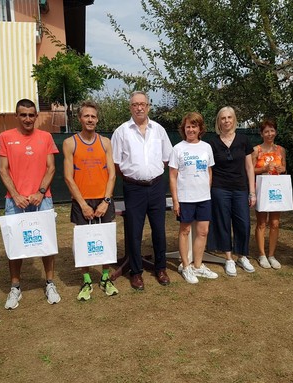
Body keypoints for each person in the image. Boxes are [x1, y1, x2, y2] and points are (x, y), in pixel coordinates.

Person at [0, 98, 60, 309]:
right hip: (16, 202)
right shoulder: (5, 137)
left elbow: (51, 168)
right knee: (15, 245)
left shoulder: (46, 137)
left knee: (46, 243)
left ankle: (50, 283)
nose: (28, 119)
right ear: (16, 116)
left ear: (36, 116)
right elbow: (3, 170)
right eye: (23, 115)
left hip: (43, 199)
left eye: (31, 115)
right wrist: (15, 195)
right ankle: (15, 287)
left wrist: (40, 192)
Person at [111, 91, 173, 290]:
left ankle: (161, 268)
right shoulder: (121, 131)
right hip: (133, 188)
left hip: (156, 187)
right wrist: (133, 177)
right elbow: (115, 164)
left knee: (159, 231)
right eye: (135, 104)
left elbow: (166, 158)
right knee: (134, 232)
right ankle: (136, 272)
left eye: (143, 104)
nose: (139, 107)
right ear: (130, 107)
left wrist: (151, 174)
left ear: (148, 106)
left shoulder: (159, 130)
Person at [63, 101, 119, 299]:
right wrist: (83, 204)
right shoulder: (70, 143)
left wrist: (106, 201)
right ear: (80, 118)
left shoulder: (105, 142)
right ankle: (86, 280)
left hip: (103, 200)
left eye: (93, 116)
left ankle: (105, 277)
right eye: (86, 116)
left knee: (105, 240)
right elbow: (68, 177)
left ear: (97, 119)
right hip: (82, 202)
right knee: (84, 242)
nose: (90, 120)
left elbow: (112, 175)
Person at [207, 106, 257, 276]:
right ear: (218, 122)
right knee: (223, 222)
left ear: (234, 120)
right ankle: (228, 258)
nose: (226, 121)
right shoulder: (212, 143)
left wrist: (252, 192)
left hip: (240, 189)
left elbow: (250, 167)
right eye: (223, 118)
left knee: (243, 223)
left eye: (229, 117)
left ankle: (242, 256)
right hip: (220, 188)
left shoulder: (243, 140)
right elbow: (209, 169)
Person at [169, 112, 218, 284]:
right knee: (185, 231)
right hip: (185, 198)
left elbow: (209, 171)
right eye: (188, 126)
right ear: (184, 129)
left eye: (194, 126)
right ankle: (186, 266)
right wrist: (176, 200)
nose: (191, 129)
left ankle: (198, 266)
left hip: (204, 197)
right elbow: (173, 176)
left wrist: (206, 190)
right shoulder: (178, 148)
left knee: (203, 231)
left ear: (200, 128)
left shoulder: (206, 147)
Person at [252, 118, 286, 269]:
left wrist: (281, 169)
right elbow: (251, 170)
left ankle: (272, 254)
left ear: (276, 132)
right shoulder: (256, 150)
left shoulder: (280, 150)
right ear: (261, 133)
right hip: (261, 189)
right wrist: (265, 169)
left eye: (272, 130)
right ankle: (261, 254)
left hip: (276, 189)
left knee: (275, 223)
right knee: (261, 223)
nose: (269, 134)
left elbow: (284, 167)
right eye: (266, 131)